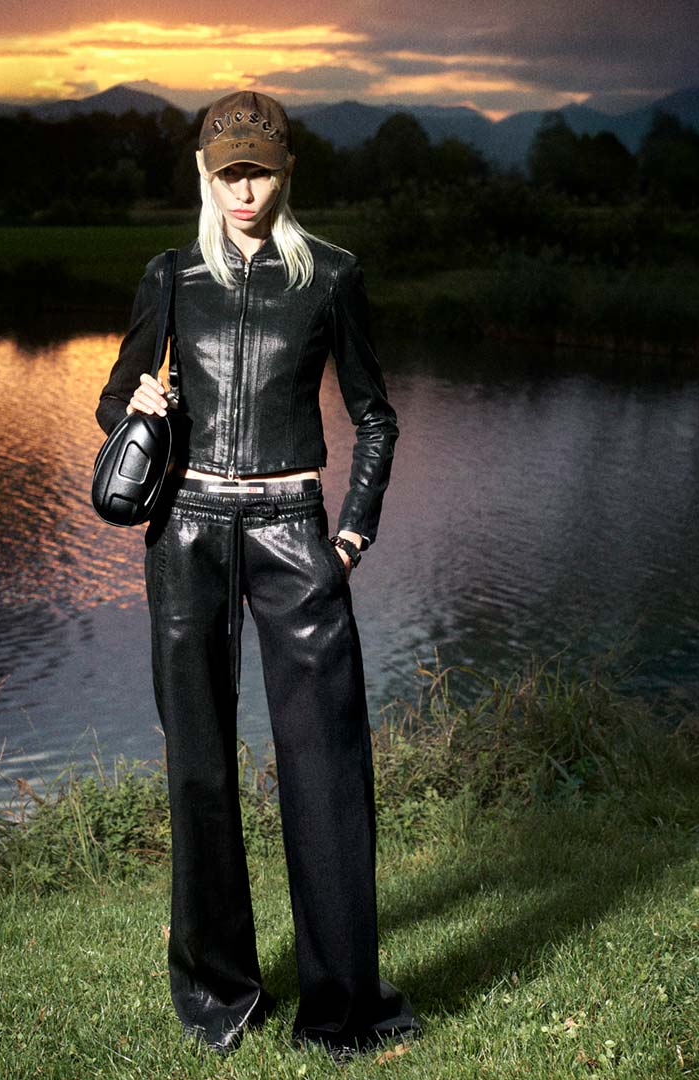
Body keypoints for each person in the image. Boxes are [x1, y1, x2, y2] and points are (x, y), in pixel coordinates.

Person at [95, 90, 417, 1058]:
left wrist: (349, 536)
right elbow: (112, 401)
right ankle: (220, 996)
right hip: (186, 532)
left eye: (260, 172)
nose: (243, 189)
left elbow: (375, 417)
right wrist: (140, 406)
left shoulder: (332, 275)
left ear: (286, 175)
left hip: (291, 532)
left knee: (326, 767)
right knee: (198, 766)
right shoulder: (171, 276)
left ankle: (341, 1007)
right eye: (228, 171)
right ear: (205, 173)